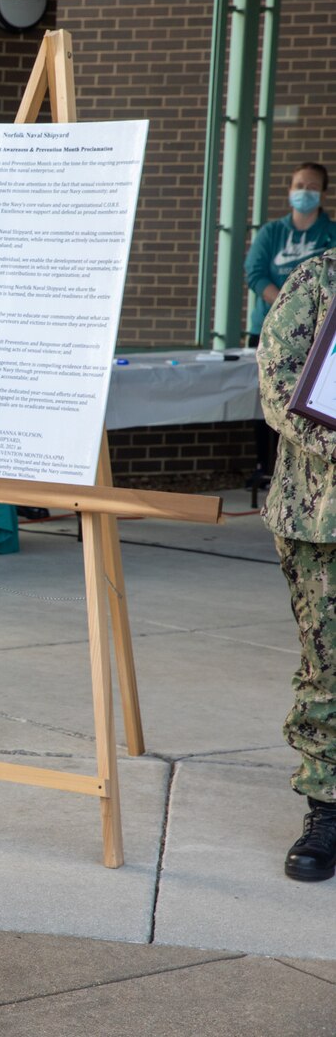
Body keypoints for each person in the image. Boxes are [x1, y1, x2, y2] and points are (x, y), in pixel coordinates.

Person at [255, 248, 336, 884]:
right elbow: (282, 389)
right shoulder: (318, 278)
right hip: (323, 518)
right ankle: (328, 810)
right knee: (329, 668)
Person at [246, 162, 336, 487]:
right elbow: (255, 273)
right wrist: (289, 308)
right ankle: (264, 465)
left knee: (311, 406)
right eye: (299, 185)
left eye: (311, 187)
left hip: (317, 336)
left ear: (323, 193)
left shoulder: (331, 233)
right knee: (273, 399)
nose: (304, 192)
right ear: (289, 189)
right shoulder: (272, 233)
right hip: (271, 327)